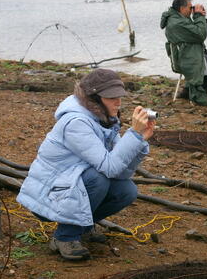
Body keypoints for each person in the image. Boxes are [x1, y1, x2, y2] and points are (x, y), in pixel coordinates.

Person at [16, 69, 154, 260]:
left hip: (70, 187)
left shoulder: (104, 120)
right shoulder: (76, 122)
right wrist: (133, 135)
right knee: (98, 180)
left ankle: (82, 226)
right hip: (49, 195)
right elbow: (109, 168)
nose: (118, 102)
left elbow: (120, 173)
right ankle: (65, 237)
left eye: (119, 97)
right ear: (94, 99)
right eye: (111, 97)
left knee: (127, 190)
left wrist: (139, 140)